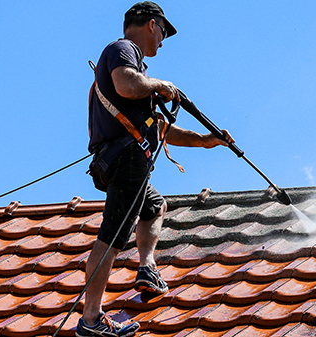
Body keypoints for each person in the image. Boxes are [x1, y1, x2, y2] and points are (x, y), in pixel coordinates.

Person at [79, 2, 234, 336]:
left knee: (154, 206)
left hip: (117, 160)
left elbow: (162, 130)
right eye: (163, 32)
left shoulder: (139, 75)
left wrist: (206, 140)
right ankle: (90, 319)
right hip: (126, 159)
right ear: (152, 24)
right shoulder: (124, 51)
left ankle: (147, 268)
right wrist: (160, 84)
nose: (162, 41)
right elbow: (126, 85)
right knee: (112, 235)